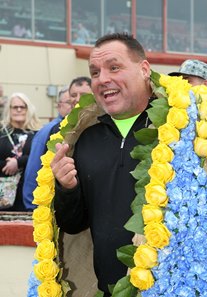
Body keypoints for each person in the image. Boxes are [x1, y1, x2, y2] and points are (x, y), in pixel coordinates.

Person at [51, 33, 152, 296]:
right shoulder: (85, 139)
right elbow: (74, 225)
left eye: (114, 67)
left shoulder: (180, 133)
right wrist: (67, 188)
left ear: (144, 70)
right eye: (95, 72)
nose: (103, 79)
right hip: (106, 288)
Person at [23, 86, 73, 211]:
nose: (74, 104)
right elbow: (33, 170)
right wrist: (32, 206)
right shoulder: (49, 130)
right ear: (59, 105)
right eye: (69, 102)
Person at [0, 92, 40, 211]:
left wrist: (18, 162)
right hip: (3, 193)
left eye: (22, 107)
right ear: (9, 110)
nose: (18, 110)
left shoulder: (37, 134)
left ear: (28, 109)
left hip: (28, 192)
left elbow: (40, 156)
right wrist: (7, 165)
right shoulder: (1, 133)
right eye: (15, 107)